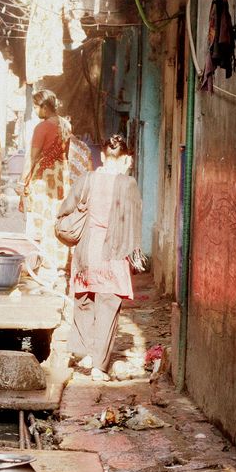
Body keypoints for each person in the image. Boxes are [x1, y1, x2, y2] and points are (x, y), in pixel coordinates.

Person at [59, 135, 144, 380]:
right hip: (113, 253)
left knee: (84, 302)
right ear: (126, 159)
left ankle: (82, 353)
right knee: (108, 307)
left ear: (103, 157)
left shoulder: (86, 179)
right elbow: (133, 223)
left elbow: (65, 209)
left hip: (86, 252)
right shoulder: (128, 184)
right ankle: (98, 367)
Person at [20, 90, 71, 288]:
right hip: (61, 176)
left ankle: (40, 263)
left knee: (40, 219)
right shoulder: (66, 125)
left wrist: (22, 180)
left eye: (36, 107)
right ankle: (58, 264)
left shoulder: (42, 127)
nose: (34, 111)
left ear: (45, 107)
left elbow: (31, 157)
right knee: (57, 217)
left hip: (44, 177)